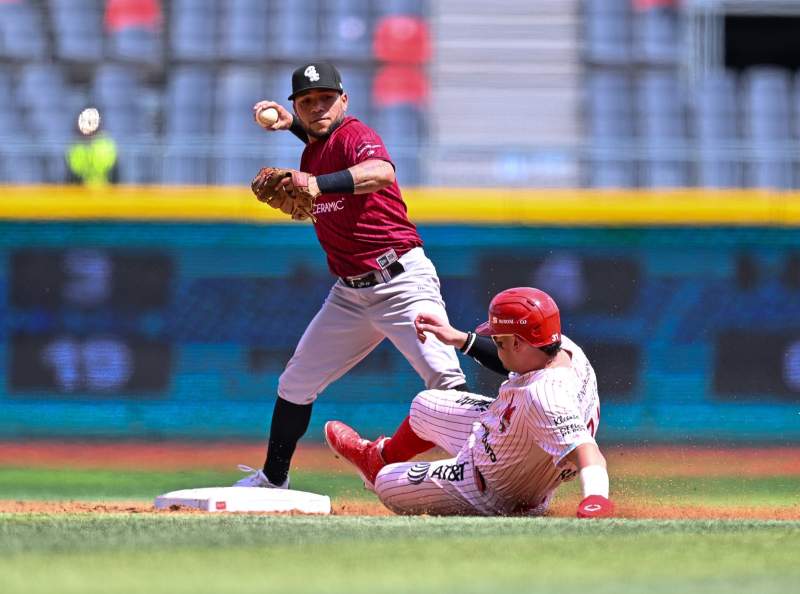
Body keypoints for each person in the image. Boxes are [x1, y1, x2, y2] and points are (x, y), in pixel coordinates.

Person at [235, 61, 467, 489]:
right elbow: (320, 140)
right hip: (350, 294)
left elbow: (381, 172)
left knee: (446, 383)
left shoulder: (357, 134)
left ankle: (490, 471)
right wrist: (291, 128)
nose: (317, 106)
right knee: (295, 382)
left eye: (326, 97)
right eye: (306, 101)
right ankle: (273, 479)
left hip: (400, 281)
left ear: (344, 100)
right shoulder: (313, 147)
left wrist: (321, 186)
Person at [324, 287, 614, 518]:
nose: (498, 348)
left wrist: (596, 499)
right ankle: (377, 458)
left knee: (387, 482)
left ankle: (389, 472)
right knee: (424, 405)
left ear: (519, 343)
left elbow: (588, 452)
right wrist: (461, 339)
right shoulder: (562, 348)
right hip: (515, 441)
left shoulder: (546, 396)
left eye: (500, 342)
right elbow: (515, 362)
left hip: (490, 487)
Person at [65, 111, 119, 187]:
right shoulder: (75, 147)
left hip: (105, 193)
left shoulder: (106, 145)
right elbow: (72, 177)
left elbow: (115, 175)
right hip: (80, 194)